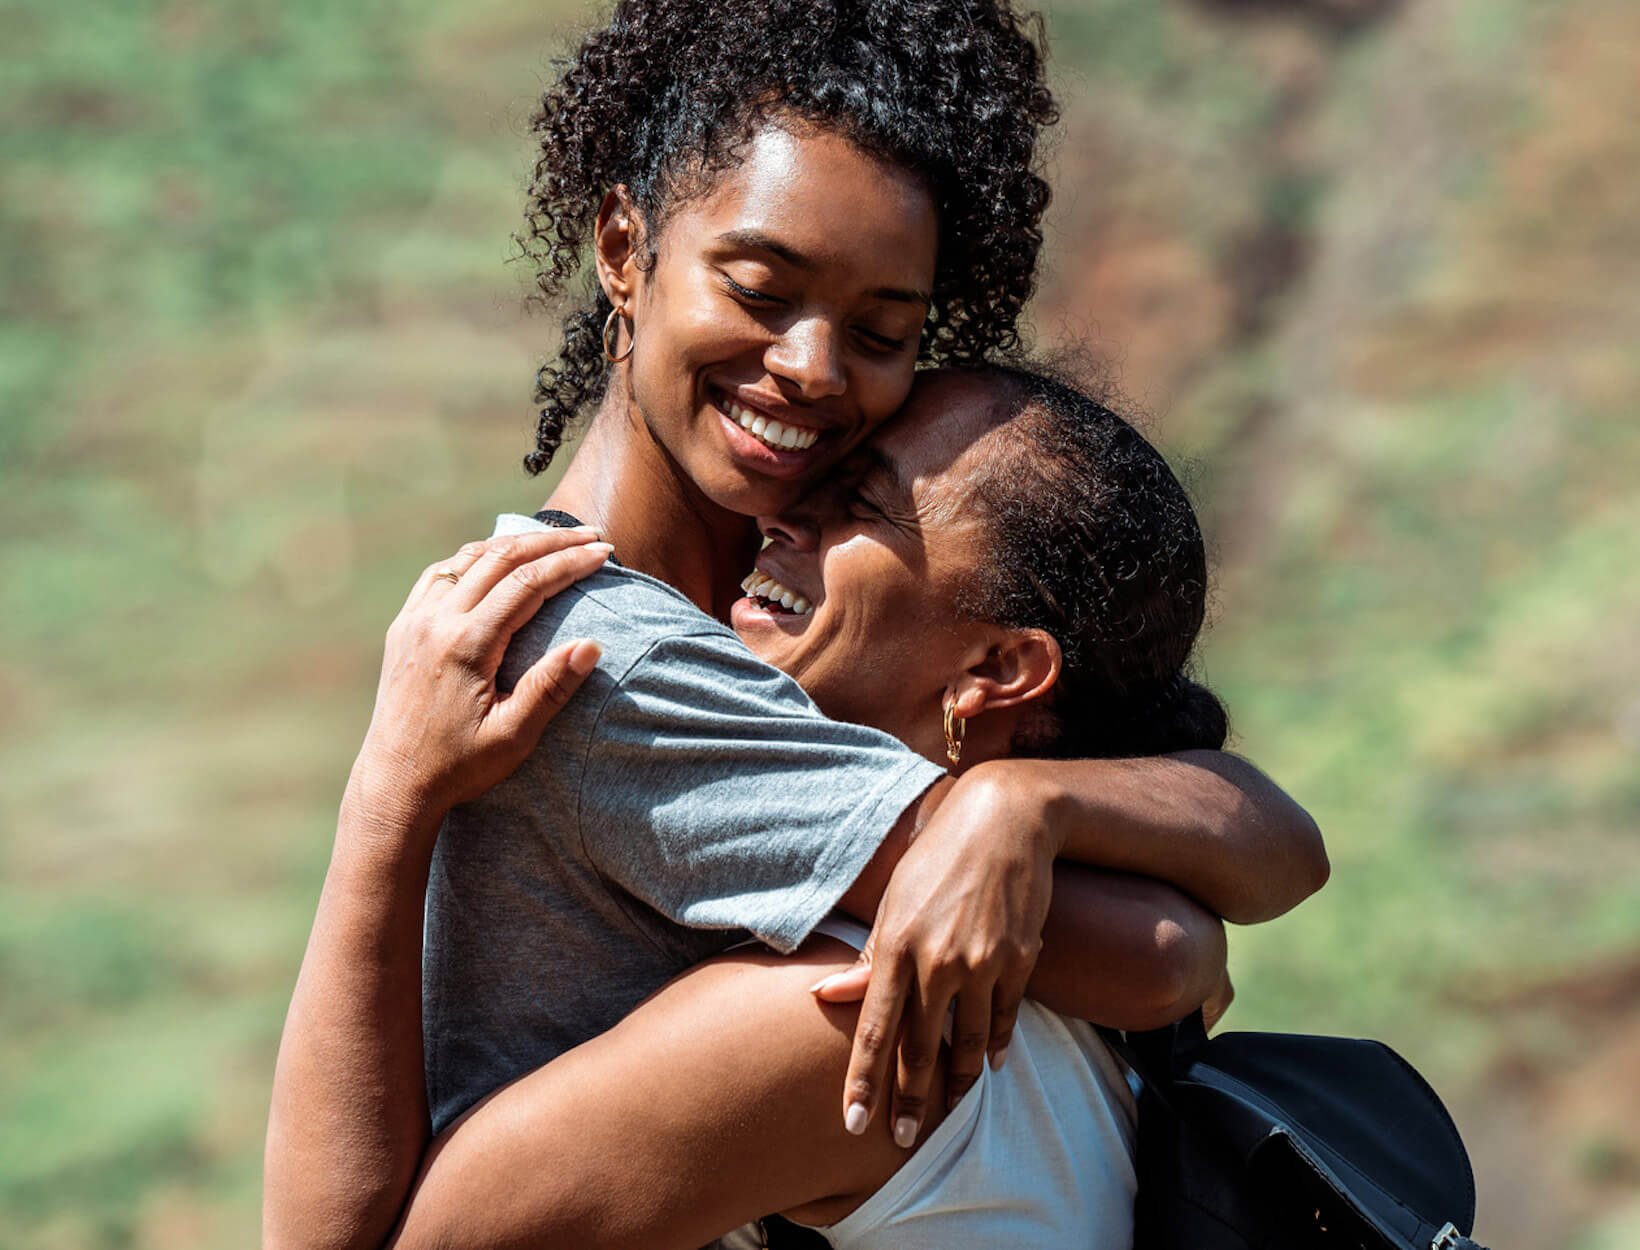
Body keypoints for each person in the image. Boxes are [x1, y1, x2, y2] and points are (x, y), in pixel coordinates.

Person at [264, 2, 1327, 1245]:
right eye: (760, 288)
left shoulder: (717, 633)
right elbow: (1157, 954)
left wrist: (1021, 805)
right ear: (623, 245)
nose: (815, 369)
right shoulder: (613, 661)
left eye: (881, 333)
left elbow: (1251, 863)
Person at [281, 362, 1284, 1250]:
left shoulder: (854, 1017)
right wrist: (1020, 804)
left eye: (860, 504)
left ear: (997, 667)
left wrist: (390, 798)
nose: (783, 514)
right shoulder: (1047, 960)